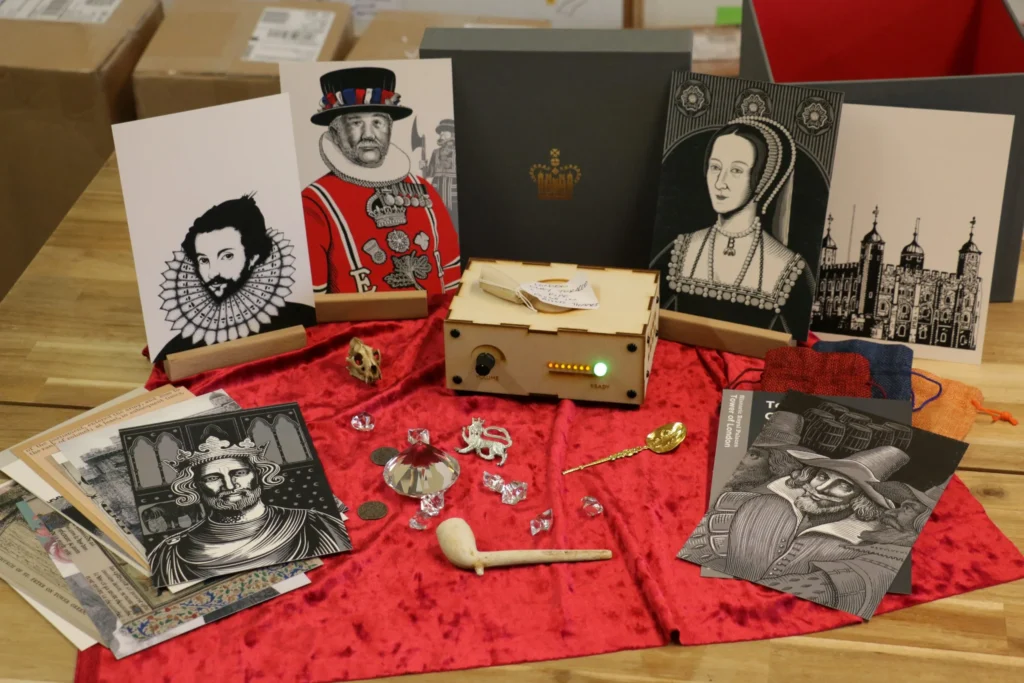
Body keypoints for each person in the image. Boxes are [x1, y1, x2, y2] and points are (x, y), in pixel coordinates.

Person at [681, 446, 912, 618]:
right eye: (822, 476)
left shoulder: (863, 546)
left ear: (860, 499)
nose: (821, 489)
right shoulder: (750, 502)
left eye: (844, 486)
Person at [302, 67, 460, 295]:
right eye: (355, 123)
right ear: (335, 132)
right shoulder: (314, 202)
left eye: (377, 123)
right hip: (356, 329)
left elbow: (451, 273)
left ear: (390, 129)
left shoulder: (423, 188)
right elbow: (314, 302)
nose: (369, 134)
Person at [655, 116, 813, 334]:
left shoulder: (789, 266)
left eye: (736, 170)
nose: (720, 182)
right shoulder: (681, 249)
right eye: (715, 167)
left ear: (762, 178)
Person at [148, 436, 350, 585]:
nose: (229, 485)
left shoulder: (315, 524)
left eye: (240, 473)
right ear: (194, 487)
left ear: (260, 475)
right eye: (212, 478)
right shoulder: (170, 552)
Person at [154, 195, 316, 362]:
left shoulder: (303, 322)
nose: (212, 273)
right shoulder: (176, 352)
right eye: (204, 260)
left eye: (227, 256)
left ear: (253, 257)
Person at [421, 118, 458, 233]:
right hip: (438, 188)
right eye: (440, 131)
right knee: (438, 214)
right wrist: (424, 167)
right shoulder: (435, 152)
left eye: (444, 131)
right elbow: (430, 173)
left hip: (454, 189)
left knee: (455, 218)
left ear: (452, 132)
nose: (441, 133)